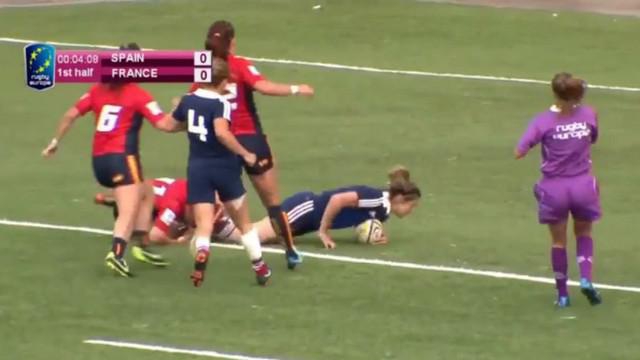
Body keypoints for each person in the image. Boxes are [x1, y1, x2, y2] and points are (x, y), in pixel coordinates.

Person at [41, 43, 178, 277]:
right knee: (128, 209)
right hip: (123, 159)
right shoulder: (138, 94)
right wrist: (182, 113)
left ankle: (142, 244)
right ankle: (117, 254)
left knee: (146, 190)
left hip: (99, 162)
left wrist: (55, 141)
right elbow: (164, 124)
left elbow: (70, 114)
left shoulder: (97, 89)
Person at [197, 20, 314, 269]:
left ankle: (200, 242)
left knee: (217, 200)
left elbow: (195, 99)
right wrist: (296, 88)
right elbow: (263, 86)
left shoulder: (203, 69)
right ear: (232, 42)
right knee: (272, 203)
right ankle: (291, 251)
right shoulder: (239, 65)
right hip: (251, 140)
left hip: (222, 144)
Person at [163, 58, 271, 287]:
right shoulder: (221, 104)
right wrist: (245, 154)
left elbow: (169, 126)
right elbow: (222, 133)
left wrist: (177, 112)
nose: (229, 86)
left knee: (203, 224)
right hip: (224, 168)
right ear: (219, 81)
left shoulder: (188, 100)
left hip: (198, 169)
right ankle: (259, 267)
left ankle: (202, 252)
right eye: (227, 82)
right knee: (244, 224)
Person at [515, 72, 602, 308]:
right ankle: (585, 277)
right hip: (583, 185)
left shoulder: (542, 121)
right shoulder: (589, 114)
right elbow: (593, 138)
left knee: (559, 242)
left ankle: (563, 295)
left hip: (554, 188)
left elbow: (519, 151)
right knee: (584, 233)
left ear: (554, 92)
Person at [218, 166, 421, 249]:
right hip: (307, 208)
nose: (412, 211)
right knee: (249, 237)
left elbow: (358, 215)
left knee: (260, 240)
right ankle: (215, 219)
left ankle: (217, 222)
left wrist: (376, 233)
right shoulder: (376, 199)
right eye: (411, 206)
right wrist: (323, 232)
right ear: (400, 199)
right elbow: (338, 200)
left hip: (310, 220)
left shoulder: (384, 209)